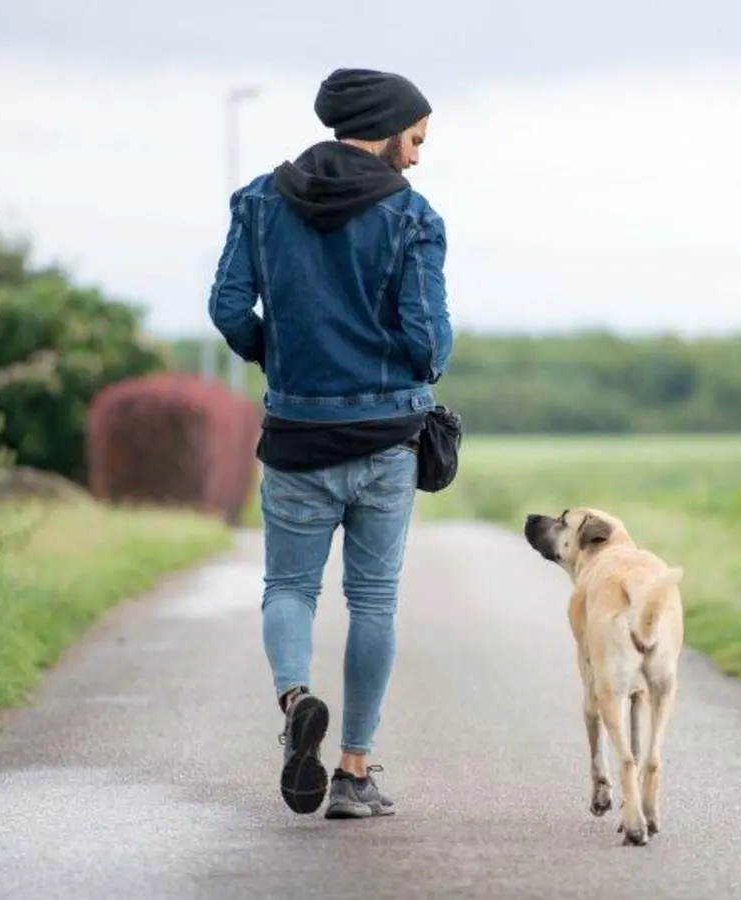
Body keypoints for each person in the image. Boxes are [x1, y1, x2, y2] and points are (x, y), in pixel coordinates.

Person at [206, 67, 453, 821]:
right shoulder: (413, 216)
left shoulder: (257, 200)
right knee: (373, 601)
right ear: (382, 129)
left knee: (288, 589)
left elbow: (226, 307)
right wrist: (421, 363)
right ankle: (352, 773)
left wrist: (273, 355)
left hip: (297, 437)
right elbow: (427, 340)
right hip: (384, 440)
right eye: (414, 139)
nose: (416, 157)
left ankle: (295, 699)